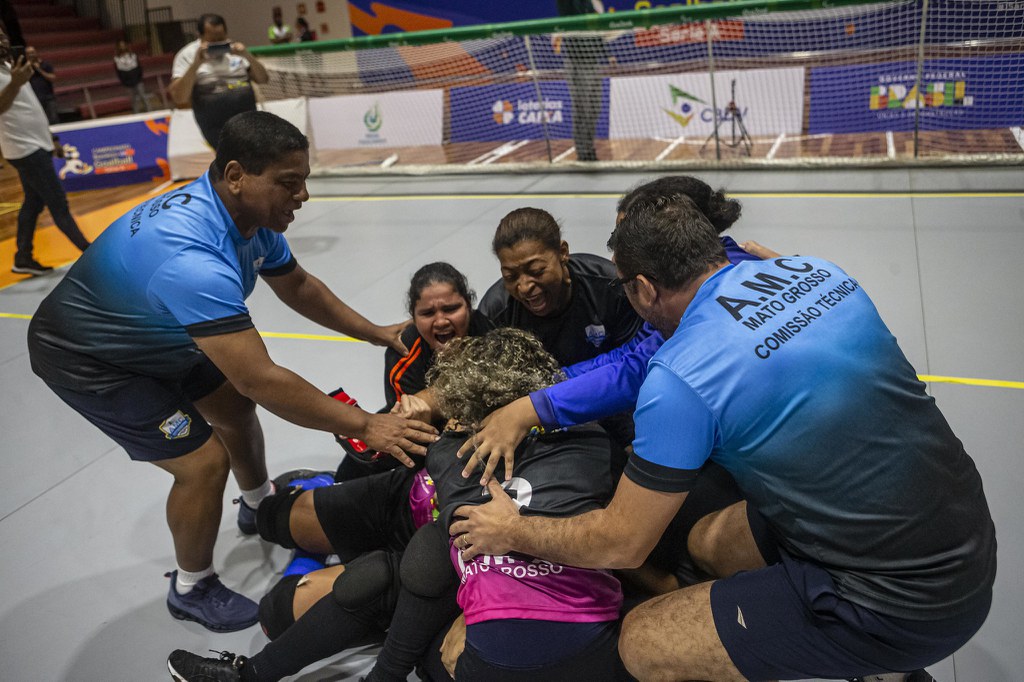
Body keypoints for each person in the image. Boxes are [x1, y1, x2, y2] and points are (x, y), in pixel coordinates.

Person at [451, 185, 997, 681]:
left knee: (642, 640)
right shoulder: (820, 273)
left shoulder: (680, 376)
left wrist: (512, 531)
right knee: (706, 542)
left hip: (896, 603)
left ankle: (878, 663)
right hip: (964, 537)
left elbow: (619, 543)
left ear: (642, 288)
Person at [27, 111, 437, 633]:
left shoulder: (247, 219)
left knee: (233, 409)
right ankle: (191, 586)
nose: (304, 196)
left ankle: (257, 505)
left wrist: (376, 332)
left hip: (157, 332)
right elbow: (260, 378)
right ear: (238, 175)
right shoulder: (190, 257)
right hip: (92, 358)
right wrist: (365, 425)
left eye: (304, 180)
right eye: (290, 184)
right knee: (202, 464)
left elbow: (299, 286)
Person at [168, 329, 629, 682]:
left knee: (420, 557)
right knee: (422, 552)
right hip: (589, 641)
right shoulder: (591, 436)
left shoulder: (451, 450)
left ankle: (266, 674)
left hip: (494, 644)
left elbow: (436, 562)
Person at [0, 28, 91, 276]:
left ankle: (23, 257)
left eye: (3, 35)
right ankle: (92, 255)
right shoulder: (13, 74)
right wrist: (17, 83)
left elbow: (30, 107)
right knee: (58, 204)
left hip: (36, 144)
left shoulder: (11, 66)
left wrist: (52, 139)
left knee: (33, 202)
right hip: (24, 149)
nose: (3, 41)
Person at [170, 13, 269, 148]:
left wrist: (247, 55)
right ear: (199, 35)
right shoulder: (187, 55)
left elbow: (263, 79)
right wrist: (196, 64)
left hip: (247, 115)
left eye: (221, 38)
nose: (217, 43)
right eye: (212, 40)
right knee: (233, 156)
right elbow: (179, 97)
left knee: (256, 153)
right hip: (214, 121)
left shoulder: (236, 52)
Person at [555, 0, 607, 161]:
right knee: (582, 110)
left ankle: (589, 148)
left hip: (594, 60)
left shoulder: (592, 4)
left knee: (594, 109)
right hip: (577, 61)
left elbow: (599, 27)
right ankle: (583, 153)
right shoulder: (570, 4)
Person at [114, 39, 150, 113]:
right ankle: (136, 114)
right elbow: (118, 72)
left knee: (143, 96)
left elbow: (139, 67)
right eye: (120, 46)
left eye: (123, 45)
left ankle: (150, 111)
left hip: (137, 79)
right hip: (127, 82)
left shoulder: (133, 55)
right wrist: (124, 82)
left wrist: (140, 78)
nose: (122, 47)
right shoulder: (117, 59)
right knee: (133, 100)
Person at [24, 45, 57, 124]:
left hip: (49, 98)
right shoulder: (25, 68)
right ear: (26, 56)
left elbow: (52, 77)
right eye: (28, 53)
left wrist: (39, 69)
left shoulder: (45, 64)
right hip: (34, 99)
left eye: (32, 53)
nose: (31, 55)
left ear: (36, 53)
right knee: (40, 122)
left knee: (53, 119)